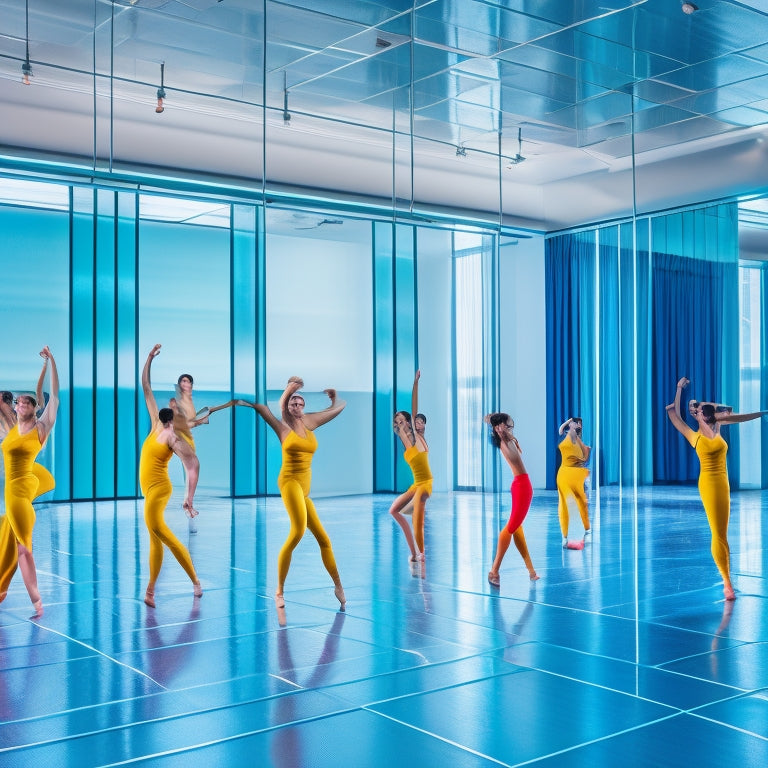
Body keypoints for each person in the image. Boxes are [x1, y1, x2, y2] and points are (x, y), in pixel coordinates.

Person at [240, 377, 346, 610]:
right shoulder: (283, 425)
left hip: (305, 489)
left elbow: (339, 408)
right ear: (287, 407)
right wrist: (291, 388)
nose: (296, 406)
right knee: (297, 531)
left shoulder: (309, 422)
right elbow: (279, 405)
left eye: (299, 403)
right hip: (289, 483)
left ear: (304, 407)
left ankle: (338, 587)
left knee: (324, 540)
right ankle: (279, 590)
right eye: (292, 404)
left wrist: (334, 398)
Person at [665, 376, 765, 601]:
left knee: (724, 534)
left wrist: (706, 406)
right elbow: (673, 412)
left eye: (699, 408)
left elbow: (727, 410)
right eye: (696, 409)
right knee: (717, 533)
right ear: (694, 415)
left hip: (723, 483)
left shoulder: (717, 426)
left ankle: (727, 576)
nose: (697, 409)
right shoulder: (693, 435)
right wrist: (680, 389)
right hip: (709, 484)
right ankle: (727, 583)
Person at [140, 344, 203, 607]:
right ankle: (151, 591)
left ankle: (194, 581)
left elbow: (193, 465)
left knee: (159, 530)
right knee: (155, 539)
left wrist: (189, 497)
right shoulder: (156, 422)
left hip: (159, 489)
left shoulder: (174, 439)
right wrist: (150, 358)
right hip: (148, 489)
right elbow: (145, 386)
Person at [0, 347, 59, 617]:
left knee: (24, 549)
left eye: (27, 402)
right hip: (17, 489)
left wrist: (52, 362)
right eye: (18, 402)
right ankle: (4, 588)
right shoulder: (13, 428)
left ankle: (37, 601)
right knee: (10, 540)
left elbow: (53, 397)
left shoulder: (40, 429)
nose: (20, 404)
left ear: (34, 409)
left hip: (20, 495)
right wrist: (43, 365)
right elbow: (36, 390)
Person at [170, 372, 240, 532]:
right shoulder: (177, 402)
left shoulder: (189, 402)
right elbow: (179, 423)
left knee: (191, 470)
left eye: (188, 381)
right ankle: (188, 502)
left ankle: (189, 504)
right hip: (179, 438)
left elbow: (190, 422)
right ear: (180, 385)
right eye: (183, 381)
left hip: (188, 439)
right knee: (194, 467)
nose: (185, 384)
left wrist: (199, 421)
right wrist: (197, 422)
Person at [486, 413, 539, 586]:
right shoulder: (504, 443)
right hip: (521, 487)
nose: (509, 428)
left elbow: (488, 417)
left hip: (523, 485)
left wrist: (496, 424)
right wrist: (503, 434)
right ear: (499, 427)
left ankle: (531, 571)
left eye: (509, 426)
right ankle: (494, 571)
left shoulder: (509, 440)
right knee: (510, 529)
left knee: (517, 529)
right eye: (506, 426)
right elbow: (516, 458)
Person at [389, 371, 432, 563]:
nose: (398, 424)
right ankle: (414, 553)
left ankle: (421, 554)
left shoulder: (415, 435)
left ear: (409, 422)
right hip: (416, 484)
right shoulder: (404, 439)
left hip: (426, 484)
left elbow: (414, 407)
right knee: (394, 510)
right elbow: (400, 432)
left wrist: (415, 383)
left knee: (417, 519)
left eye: (401, 421)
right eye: (396, 422)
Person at [556, 417, 591, 548]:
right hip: (565, 474)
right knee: (565, 504)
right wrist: (568, 422)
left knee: (581, 503)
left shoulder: (580, 442)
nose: (578, 426)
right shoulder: (565, 436)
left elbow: (585, 458)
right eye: (576, 423)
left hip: (577, 475)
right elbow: (560, 430)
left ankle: (585, 530)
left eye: (580, 425)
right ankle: (565, 536)